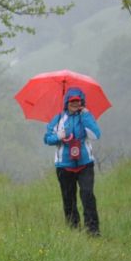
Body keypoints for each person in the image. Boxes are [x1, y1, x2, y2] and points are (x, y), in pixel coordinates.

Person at [43, 87, 101, 236]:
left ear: (82, 102)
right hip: (64, 166)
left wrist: (86, 115)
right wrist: (58, 136)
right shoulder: (58, 119)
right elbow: (47, 139)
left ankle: (92, 230)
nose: (75, 104)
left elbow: (96, 134)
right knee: (68, 199)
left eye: (78, 101)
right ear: (66, 102)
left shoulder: (86, 117)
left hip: (85, 164)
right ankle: (73, 230)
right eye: (72, 101)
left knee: (87, 195)